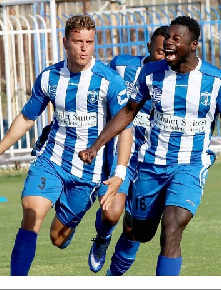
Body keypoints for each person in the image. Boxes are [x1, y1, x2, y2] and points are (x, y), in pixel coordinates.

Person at [79, 16, 221, 276]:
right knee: (138, 232)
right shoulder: (150, 74)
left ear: (193, 45)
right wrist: (96, 146)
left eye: (176, 39)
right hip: (152, 165)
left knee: (173, 227)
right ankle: (112, 257)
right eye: (167, 38)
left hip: (190, 165)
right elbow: (128, 111)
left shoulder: (216, 80)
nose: (168, 43)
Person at [0, 15, 132, 276]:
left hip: (88, 173)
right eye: (78, 41)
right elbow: (27, 118)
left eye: (89, 42)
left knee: (57, 239)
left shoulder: (108, 81)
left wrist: (119, 173)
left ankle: (97, 236)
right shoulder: (49, 77)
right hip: (52, 160)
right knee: (31, 216)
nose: (84, 48)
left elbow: (125, 127)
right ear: (65, 42)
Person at [88, 25, 168, 276]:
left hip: (153, 162)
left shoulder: (180, 82)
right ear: (147, 49)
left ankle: (114, 277)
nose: (164, 58)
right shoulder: (122, 66)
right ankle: (102, 236)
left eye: (168, 52)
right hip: (122, 156)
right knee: (111, 214)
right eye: (158, 52)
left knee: (136, 230)